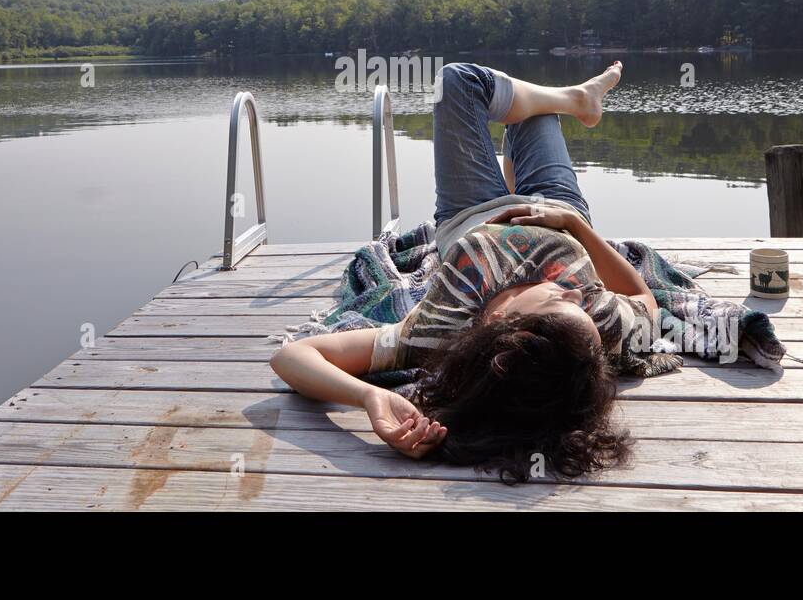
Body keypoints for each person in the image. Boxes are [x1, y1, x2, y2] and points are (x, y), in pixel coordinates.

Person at [270, 61, 658, 482]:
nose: (577, 295)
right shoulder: (590, 334)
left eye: (558, 300)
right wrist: (574, 227)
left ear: (502, 323)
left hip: (469, 213)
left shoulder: (440, 325)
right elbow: (646, 305)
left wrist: (369, 397)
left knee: (457, 82)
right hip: (558, 210)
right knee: (537, 113)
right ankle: (577, 101)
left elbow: (293, 355)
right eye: (576, 300)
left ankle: (573, 101)